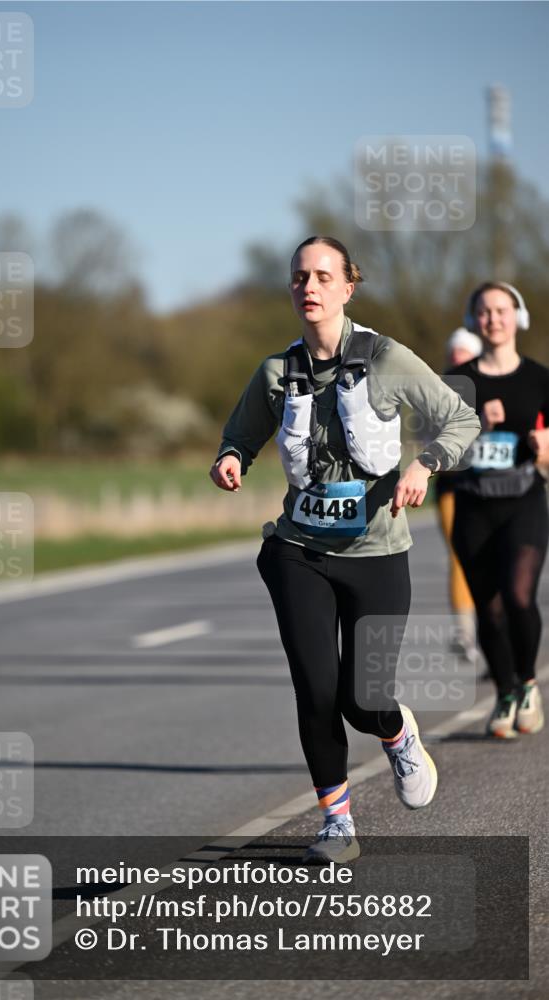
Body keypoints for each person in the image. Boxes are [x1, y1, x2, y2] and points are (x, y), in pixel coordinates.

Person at [209, 236, 480, 863]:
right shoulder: (277, 372)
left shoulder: (386, 359)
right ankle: (335, 821)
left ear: (348, 286)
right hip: (299, 551)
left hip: (379, 554)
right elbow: (240, 434)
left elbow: (460, 418)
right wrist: (230, 458)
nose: (310, 287)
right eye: (300, 277)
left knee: (364, 698)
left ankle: (397, 731)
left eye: (323, 277)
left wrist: (426, 464)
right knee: (315, 688)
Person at [449, 282, 549, 739]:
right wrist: (476, 425)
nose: (493, 318)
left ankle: (527, 681)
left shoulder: (540, 380)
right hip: (473, 506)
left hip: (524, 502)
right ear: (474, 321)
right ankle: (505, 691)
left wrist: (545, 450)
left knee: (519, 597)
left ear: (517, 316)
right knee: (488, 609)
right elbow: (436, 451)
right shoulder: (456, 383)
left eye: (502, 309)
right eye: (484, 311)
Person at [435, 328, 482, 665]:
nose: (458, 359)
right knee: (459, 556)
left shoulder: (493, 385)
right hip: (453, 487)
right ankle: (465, 634)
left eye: (464, 354)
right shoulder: (438, 389)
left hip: (491, 488)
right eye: (455, 354)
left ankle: (496, 631)